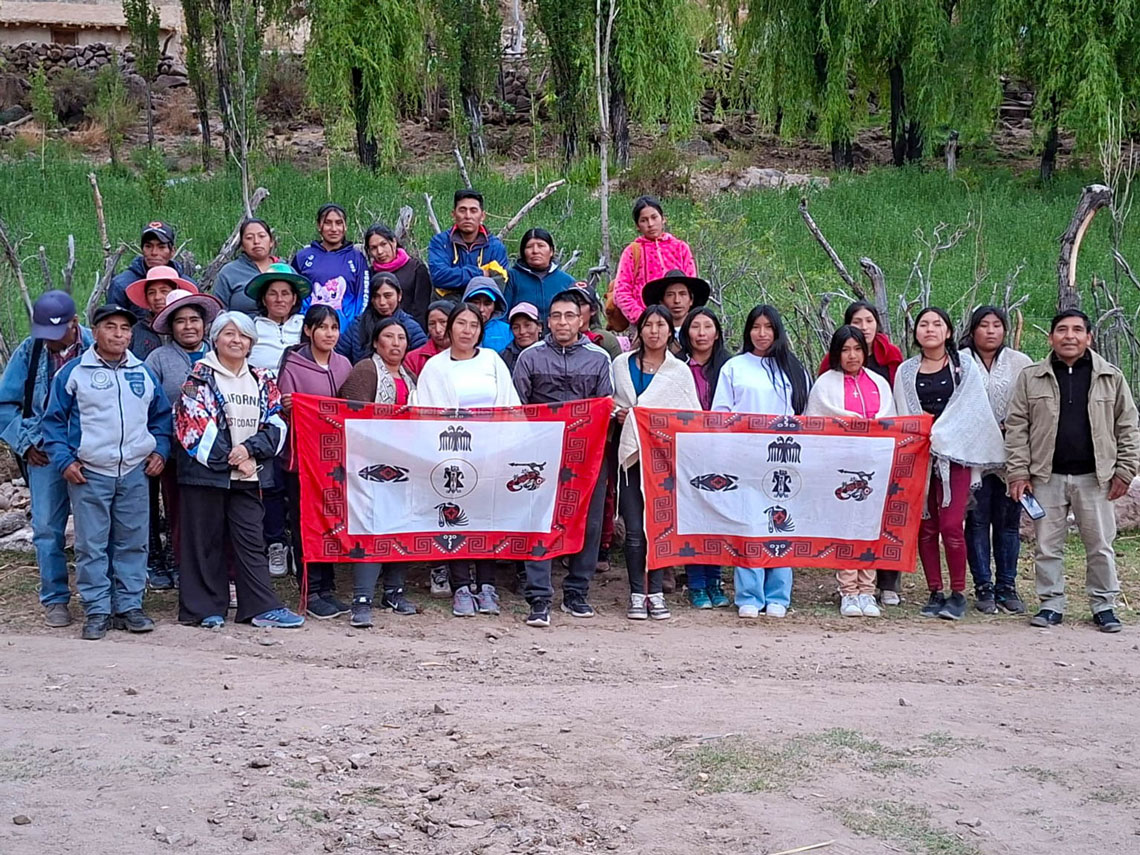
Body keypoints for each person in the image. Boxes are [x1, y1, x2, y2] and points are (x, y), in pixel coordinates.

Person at [41, 304, 172, 641]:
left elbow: (161, 417)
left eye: (125, 328)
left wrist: (160, 450)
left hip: (134, 471)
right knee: (91, 544)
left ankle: (129, 605)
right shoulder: (73, 373)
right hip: (90, 473)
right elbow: (53, 422)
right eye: (110, 327)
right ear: (94, 332)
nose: (118, 334)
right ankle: (97, 609)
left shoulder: (143, 372)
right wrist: (65, 461)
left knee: (133, 542)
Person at [1006, 309, 1139, 633]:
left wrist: (1125, 470)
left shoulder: (1110, 377)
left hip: (1096, 478)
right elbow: (1017, 426)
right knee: (1047, 546)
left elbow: (1128, 425)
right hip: (1045, 477)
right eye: (1062, 330)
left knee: (1100, 545)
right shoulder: (1031, 377)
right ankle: (1051, 604)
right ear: (1050, 338)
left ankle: (1104, 606)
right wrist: (1018, 472)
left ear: (1088, 337)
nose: (1069, 336)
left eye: (1077, 330)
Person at [173, 311, 304, 629]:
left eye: (244, 335)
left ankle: (260, 606)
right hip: (206, 475)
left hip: (249, 473)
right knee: (204, 541)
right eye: (229, 334)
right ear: (215, 339)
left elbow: (276, 422)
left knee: (251, 540)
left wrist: (249, 451)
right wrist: (233, 459)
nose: (237, 340)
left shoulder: (262, 379)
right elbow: (193, 426)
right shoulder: (198, 379)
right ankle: (204, 609)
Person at [893, 307, 1005, 621]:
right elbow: (902, 413)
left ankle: (958, 592)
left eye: (937, 324)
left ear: (948, 332)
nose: (930, 329)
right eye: (923, 324)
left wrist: (942, 434)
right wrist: (920, 437)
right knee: (926, 527)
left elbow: (971, 411)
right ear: (916, 332)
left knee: (951, 525)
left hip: (955, 456)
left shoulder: (963, 367)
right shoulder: (905, 372)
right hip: (919, 457)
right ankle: (935, 591)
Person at [512, 289, 614, 627]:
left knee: (590, 522)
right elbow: (518, 407)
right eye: (556, 316)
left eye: (570, 316)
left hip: (588, 454)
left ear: (582, 319)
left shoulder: (599, 358)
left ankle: (577, 592)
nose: (562, 322)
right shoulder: (530, 358)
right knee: (539, 519)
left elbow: (606, 406)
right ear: (547, 321)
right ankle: (539, 597)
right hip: (540, 454)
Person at [416, 302, 521, 617]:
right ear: (449, 328)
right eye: (461, 323)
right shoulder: (435, 367)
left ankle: (487, 585)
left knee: (486, 519)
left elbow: (510, 404)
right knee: (455, 517)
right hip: (451, 454)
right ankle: (461, 585)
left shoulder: (492, 361)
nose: (467, 331)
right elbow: (424, 410)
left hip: (490, 454)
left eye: (474, 325)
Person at [0, 291, 92, 628]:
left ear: (74, 323)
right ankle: (55, 598)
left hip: (89, 451)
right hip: (43, 453)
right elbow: (5, 404)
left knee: (94, 529)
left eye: (56, 333)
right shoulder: (30, 351)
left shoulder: (97, 346)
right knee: (46, 529)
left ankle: (97, 598)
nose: (50, 341)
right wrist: (25, 443)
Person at [712, 305, 810, 619]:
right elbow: (721, 413)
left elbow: (804, 416)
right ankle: (749, 595)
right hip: (744, 458)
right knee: (749, 525)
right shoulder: (734, 367)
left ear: (777, 331)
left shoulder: (793, 369)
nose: (762, 333)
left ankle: (778, 594)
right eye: (756, 327)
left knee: (781, 523)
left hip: (784, 459)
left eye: (768, 327)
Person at [613, 305, 700, 621]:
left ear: (669, 331)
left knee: (659, 526)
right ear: (639, 330)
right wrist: (620, 415)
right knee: (635, 529)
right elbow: (611, 401)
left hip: (664, 461)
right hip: (630, 458)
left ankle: (657, 593)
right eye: (648, 325)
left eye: (660, 325)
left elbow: (690, 416)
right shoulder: (621, 365)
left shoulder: (679, 372)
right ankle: (637, 593)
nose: (654, 331)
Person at [817, 300, 904, 603]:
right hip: (839, 469)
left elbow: (890, 423)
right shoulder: (824, 385)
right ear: (836, 353)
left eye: (857, 349)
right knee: (845, 526)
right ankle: (847, 590)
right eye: (845, 350)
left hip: (873, 469)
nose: (852, 356)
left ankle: (867, 589)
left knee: (870, 525)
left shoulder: (880, 383)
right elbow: (816, 423)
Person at [337, 317, 419, 626]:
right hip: (370, 464)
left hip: (406, 463)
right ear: (375, 342)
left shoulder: (410, 376)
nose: (396, 343)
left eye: (401, 337)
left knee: (401, 526)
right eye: (389, 336)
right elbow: (351, 414)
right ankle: (362, 598)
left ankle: (394, 591)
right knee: (370, 527)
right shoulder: (366, 370)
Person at [276, 305, 354, 619]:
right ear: (308, 330)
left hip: (334, 461)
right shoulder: (293, 366)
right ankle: (310, 590)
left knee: (330, 522)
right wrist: (288, 406)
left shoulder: (344, 364)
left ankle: (328, 589)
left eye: (334, 328)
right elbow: (281, 410)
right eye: (322, 327)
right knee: (305, 524)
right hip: (302, 462)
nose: (329, 334)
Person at [145, 289, 222, 590]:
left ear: (204, 324)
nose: (189, 326)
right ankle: (180, 563)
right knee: (177, 509)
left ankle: (211, 565)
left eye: (194, 320)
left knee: (212, 512)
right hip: (175, 452)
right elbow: (149, 405)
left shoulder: (218, 354)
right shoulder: (158, 359)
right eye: (181, 321)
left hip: (217, 451)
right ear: (171, 327)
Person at [960, 306, 1034, 615]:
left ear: (1005, 330)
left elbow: (1031, 406)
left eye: (996, 325)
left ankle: (1007, 586)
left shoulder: (1021, 363)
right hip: (973, 456)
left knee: (1008, 522)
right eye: (984, 325)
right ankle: (983, 587)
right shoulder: (960, 361)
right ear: (972, 330)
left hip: (1010, 456)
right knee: (976, 522)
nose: (991, 331)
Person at [677, 306, 732, 609]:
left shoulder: (731, 367)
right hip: (689, 451)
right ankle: (696, 583)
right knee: (694, 516)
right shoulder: (677, 368)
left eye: (707, 326)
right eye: (695, 327)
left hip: (724, 450)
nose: (701, 333)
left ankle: (716, 580)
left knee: (718, 516)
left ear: (717, 333)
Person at [613, 196, 696, 325]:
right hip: (645, 324)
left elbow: (691, 285)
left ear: (663, 219)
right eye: (644, 220)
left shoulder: (680, 248)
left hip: (680, 321)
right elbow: (621, 291)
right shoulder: (632, 252)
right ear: (637, 226)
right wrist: (643, 318)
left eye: (654, 217)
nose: (650, 224)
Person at [294, 203, 369, 328]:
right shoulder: (303, 257)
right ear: (319, 226)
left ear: (345, 226)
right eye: (328, 223)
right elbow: (294, 295)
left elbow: (364, 296)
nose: (334, 229)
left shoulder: (357, 258)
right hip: (310, 329)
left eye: (339, 223)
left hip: (347, 331)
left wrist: (354, 328)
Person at [426, 189, 509, 300]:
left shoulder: (495, 247)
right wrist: (481, 273)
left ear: (482, 216)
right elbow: (439, 277)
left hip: (482, 305)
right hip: (447, 305)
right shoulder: (440, 242)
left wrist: (454, 283)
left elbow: (500, 284)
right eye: (462, 210)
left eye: (473, 211)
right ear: (454, 214)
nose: (468, 216)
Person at [337, 271, 427, 364]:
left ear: (399, 296)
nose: (382, 302)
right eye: (376, 296)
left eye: (388, 296)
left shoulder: (411, 328)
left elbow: (422, 360)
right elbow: (340, 359)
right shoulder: (357, 325)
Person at [107, 221, 192, 319]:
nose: (154, 252)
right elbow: (113, 322)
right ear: (142, 249)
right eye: (148, 246)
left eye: (161, 247)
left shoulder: (186, 286)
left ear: (172, 251)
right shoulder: (121, 284)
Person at [818, 301, 904, 385]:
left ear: (877, 323)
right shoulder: (835, 356)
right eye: (856, 322)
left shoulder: (891, 353)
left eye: (869, 321)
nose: (864, 327)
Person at [246, 262, 310, 373]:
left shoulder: (306, 327)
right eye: (272, 294)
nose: (279, 299)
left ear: (294, 299)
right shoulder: (251, 329)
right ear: (264, 299)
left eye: (285, 294)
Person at [365, 223, 433, 326]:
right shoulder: (369, 274)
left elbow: (421, 309)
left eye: (383, 244)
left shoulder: (416, 269)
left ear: (394, 242)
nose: (380, 252)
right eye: (373, 248)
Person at [126, 265, 199, 360]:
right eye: (151, 293)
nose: (157, 297)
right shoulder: (136, 331)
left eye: (164, 291)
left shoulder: (191, 328)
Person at [212, 219, 283, 316]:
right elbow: (218, 312)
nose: (256, 241)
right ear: (242, 245)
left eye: (262, 236)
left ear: (271, 242)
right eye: (249, 238)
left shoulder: (285, 270)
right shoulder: (229, 272)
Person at [504, 228, 576, 320]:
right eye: (529, 247)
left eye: (541, 246)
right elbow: (502, 313)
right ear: (523, 252)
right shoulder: (511, 278)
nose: (535, 251)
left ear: (551, 251)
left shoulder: (567, 281)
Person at [642, 269, 710, 341]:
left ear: (691, 300)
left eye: (682, 294)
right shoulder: (651, 334)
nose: (677, 300)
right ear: (661, 301)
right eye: (670, 295)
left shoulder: (702, 334)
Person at [573, 282, 624, 361]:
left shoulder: (605, 340)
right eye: (571, 303)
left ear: (593, 310)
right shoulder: (557, 338)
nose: (574, 308)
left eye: (581, 304)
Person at [462, 275, 512, 353]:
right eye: (475, 303)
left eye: (487, 304)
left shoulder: (507, 330)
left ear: (495, 306)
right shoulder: (457, 329)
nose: (481, 309)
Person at [405, 299, 453, 380]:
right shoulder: (413, 358)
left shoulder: (469, 355)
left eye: (443, 322)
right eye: (432, 324)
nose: (438, 330)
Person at [499, 302, 541, 372]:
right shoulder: (504, 357)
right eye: (516, 327)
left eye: (527, 325)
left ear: (539, 327)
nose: (522, 332)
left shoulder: (552, 353)